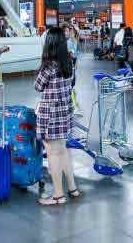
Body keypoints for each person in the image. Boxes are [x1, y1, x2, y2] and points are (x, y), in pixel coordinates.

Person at [34, 28, 80, 206]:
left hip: (51, 114)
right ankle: (72, 188)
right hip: (65, 112)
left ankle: (58, 195)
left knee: (53, 153)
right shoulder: (68, 62)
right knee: (62, 150)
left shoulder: (49, 66)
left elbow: (37, 86)